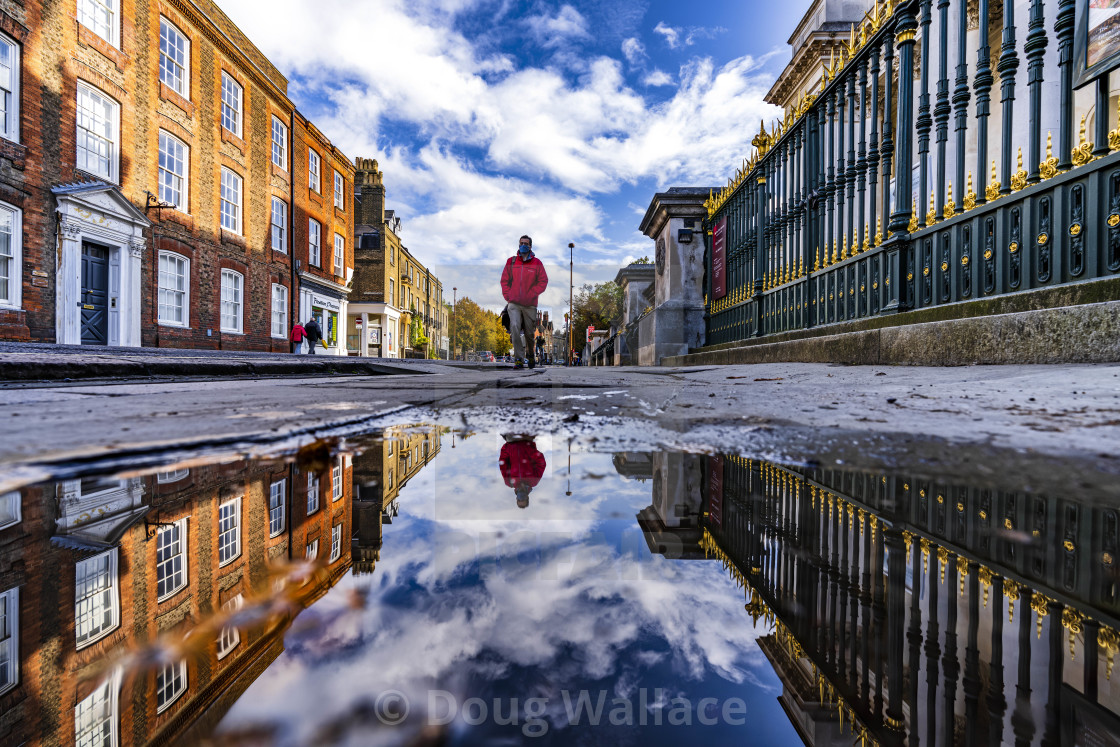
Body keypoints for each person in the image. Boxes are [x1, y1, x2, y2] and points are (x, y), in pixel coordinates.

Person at [500, 235, 548, 370]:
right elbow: (504, 280)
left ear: (530, 246)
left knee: (529, 333)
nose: (523, 245)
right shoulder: (512, 261)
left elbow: (543, 281)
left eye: (526, 243)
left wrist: (532, 293)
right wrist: (508, 296)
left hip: (530, 304)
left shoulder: (537, 263)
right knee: (514, 327)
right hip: (514, 303)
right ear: (518, 244)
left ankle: (531, 355)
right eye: (521, 243)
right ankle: (519, 359)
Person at [498, 434, 546, 509]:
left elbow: (503, 463)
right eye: (523, 499)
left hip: (511, 441)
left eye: (520, 500)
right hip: (527, 440)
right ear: (527, 498)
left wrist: (508, 448)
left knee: (507, 424)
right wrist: (529, 451)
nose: (521, 498)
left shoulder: (509, 482)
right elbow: (541, 463)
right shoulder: (534, 481)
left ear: (516, 498)